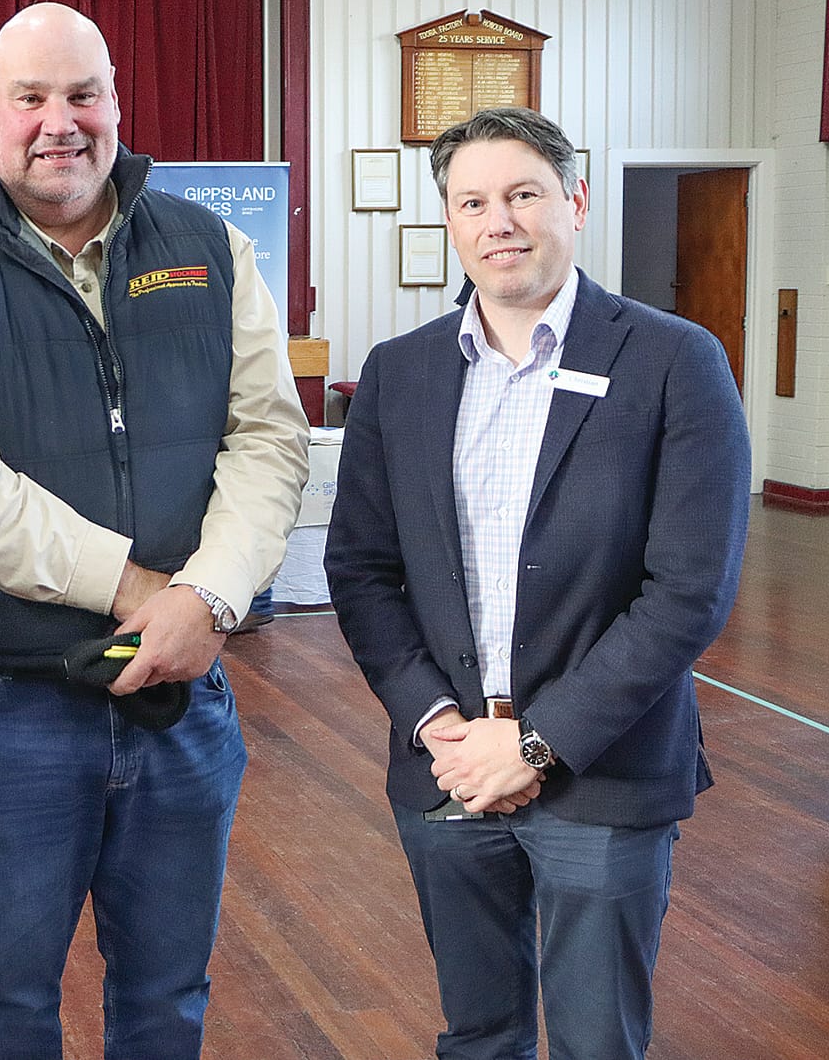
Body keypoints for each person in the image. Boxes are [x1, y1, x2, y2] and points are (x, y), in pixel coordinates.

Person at [0, 2, 310, 1057]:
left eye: (80, 94)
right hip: (10, 703)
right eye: (29, 97)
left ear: (115, 102)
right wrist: (137, 591)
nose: (57, 121)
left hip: (181, 699)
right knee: (11, 1001)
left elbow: (267, 439)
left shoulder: (208, 245)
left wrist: (204, 600)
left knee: (166, 998)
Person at [324, 106, 751, 1060]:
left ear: (577, 201)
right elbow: (360, 569)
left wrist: (541, 743)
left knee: (597, 1041)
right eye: (472, 201)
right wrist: (440, 725)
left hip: (603, 773)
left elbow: (688, 591)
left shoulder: (676, 360)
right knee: (479, 1035)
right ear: (450, 222)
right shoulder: (399, 375)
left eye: (523, 193)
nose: (498, 221)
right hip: (448, 773)